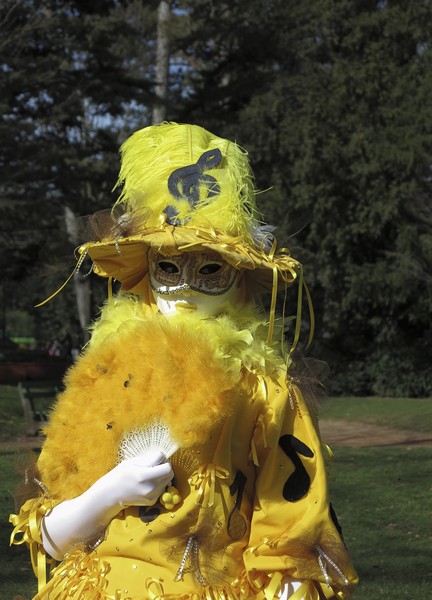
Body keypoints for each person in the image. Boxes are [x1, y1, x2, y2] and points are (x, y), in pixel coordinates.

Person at [10, 123, 358, 600]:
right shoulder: (105, 373)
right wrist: (111, 491)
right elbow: (52, 535)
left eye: (210, 267)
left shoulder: (264, 390)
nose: (187, 286)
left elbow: (293, 524)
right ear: (147, 270)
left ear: (239, 275)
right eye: (168, 266)